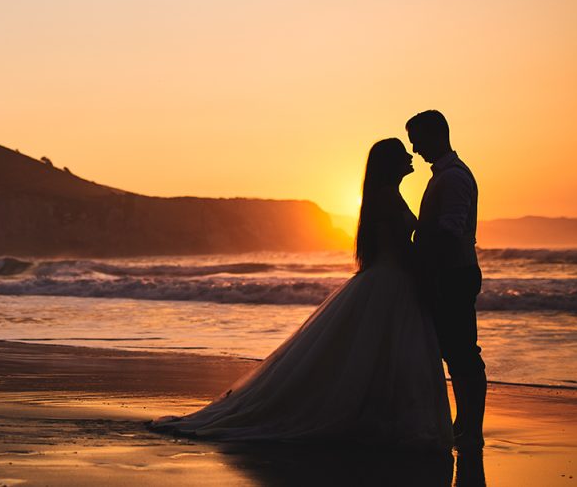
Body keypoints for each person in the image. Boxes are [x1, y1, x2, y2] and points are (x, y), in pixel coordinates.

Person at [149, 138, 452, 449]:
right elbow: (402, 249)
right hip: (393, 283)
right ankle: (385, 420)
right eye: (402, 152)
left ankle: (378, 417)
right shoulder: (387, 197)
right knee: (388, 355)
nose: (410, 155)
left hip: (386, 281)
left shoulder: (386, 195)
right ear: (391, 163)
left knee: (378, 355)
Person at [406, 110, 486, 450]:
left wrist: (417, 251)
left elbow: (450, 230)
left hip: (453, 274)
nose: (415, 149)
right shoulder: (444, 174)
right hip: (449, 273)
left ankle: (471, 428)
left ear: (438, 135)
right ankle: (463, 423)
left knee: (463, 353)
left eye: (418, 140)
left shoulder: (453, 177)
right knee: (454, 352)